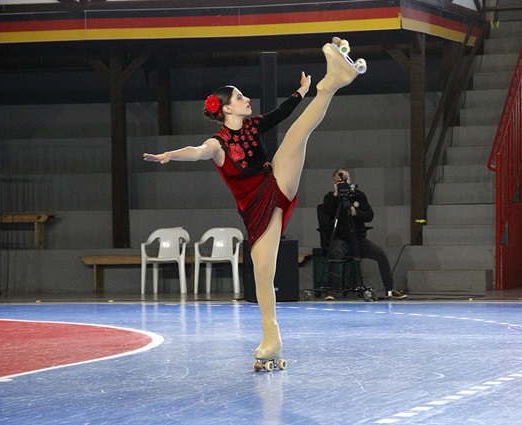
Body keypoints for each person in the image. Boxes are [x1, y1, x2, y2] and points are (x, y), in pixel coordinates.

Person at [143, 37, 363, 365]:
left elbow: (283, 112)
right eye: (239, 97)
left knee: (296, 134)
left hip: (274, 179)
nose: (246, 99)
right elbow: (198, 152)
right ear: (226, 108)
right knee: (263, 274)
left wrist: (302, 92)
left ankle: (331, 83)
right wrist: (170, 156)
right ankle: (271, 337)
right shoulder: (217, 142)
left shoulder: (252, 125)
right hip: (255, 210)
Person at [321, 168, 407, 300]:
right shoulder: (330, 197)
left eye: (346, 179)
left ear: (350, 180)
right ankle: (330, 291)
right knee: (334, 255)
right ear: (334, 182)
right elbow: (327, 211)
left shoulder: (358, 195)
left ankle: (389, 289)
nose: (344, 182)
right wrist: (336, 194)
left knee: (381, 254)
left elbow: (369, 215)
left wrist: (357, 213)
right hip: (341, 239)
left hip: (359, 239)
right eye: (340, 179)